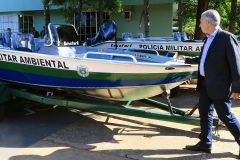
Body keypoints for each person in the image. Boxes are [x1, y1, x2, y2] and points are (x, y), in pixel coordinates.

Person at [177, 9, 240, 158]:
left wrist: (237, 87)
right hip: (206, 84)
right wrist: (187, 59)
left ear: (209, 22)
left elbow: (236, 65)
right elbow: (205, 60)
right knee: (204, 114)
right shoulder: (208, 38)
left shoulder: (226, 38)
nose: (199, 25)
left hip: (221, 87)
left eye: (200, 22)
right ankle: (205, 143)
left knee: (226, 117)